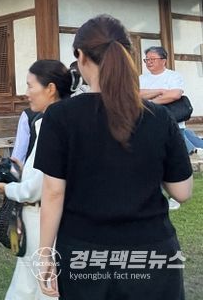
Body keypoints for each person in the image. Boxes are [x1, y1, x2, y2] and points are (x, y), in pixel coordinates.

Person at [35, 15, 193, 299]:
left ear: (81, 57)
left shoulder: (60, 116)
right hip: (152, 253)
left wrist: (45, 254)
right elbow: (182, 191)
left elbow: (53, 193)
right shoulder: (159, 117)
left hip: (84, 253)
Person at [0, 60, 71, 300]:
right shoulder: (68, 120)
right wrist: (24, 171)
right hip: (53, 218)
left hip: (40, 219)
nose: (26, 93)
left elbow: (37, 188)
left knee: (38, 287)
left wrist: (8, 188)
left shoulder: (50, 124)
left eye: (30, 85)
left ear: (50, 88)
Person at [139, 46, 203, 155]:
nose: (149, 62)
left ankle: (194, 148)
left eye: (152, 59)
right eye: (147, 59)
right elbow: (137, 94)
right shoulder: (141, 78)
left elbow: (174, 95)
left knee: (180, 151)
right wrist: (160, 91)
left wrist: (149, 102)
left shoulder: (173, 76)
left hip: (173, 121)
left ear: (163, 60)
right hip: (149, 121)